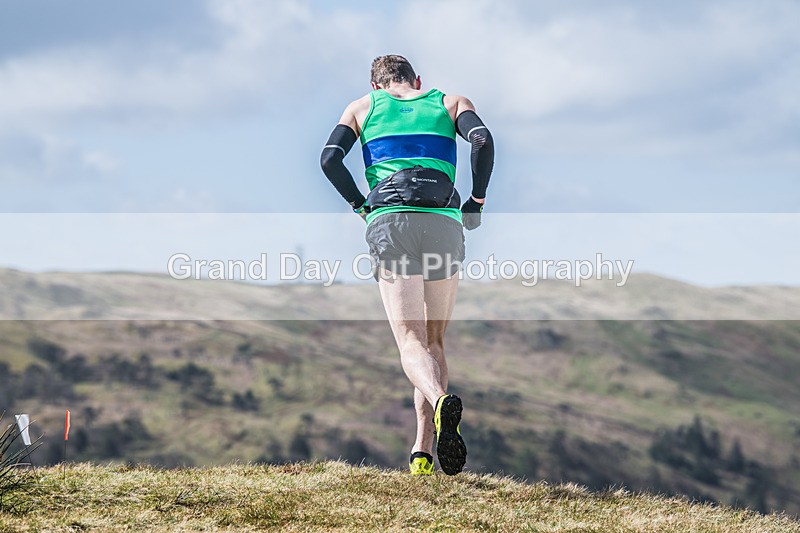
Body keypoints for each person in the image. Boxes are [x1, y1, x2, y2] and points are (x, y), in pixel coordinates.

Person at [320, 55, 494, 475]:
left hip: (391, 221)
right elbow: (482, 141)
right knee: (435, 340)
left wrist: (362, 206)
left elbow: (329, 160)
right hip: (443, 223)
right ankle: (422, 452)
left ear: (378, 86)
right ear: (417, 81)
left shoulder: (363, 107)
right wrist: (477, 200)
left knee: (410, 340)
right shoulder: (451, 102)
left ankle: (438, 404)